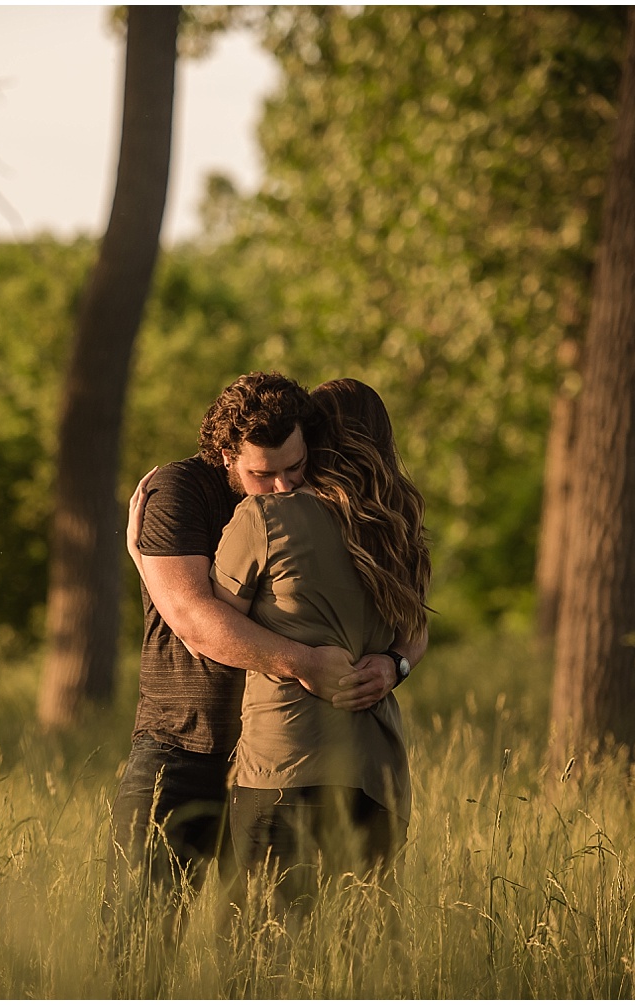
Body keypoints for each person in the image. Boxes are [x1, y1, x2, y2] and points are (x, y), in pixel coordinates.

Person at [101, 373, 415, 963]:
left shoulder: (319, 509)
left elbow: (410, 618)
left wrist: (394, 662)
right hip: (187, 748)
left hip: (274, 766)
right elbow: (195, 623)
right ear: (226, 455)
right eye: (262, 473)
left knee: (263, 955)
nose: (280, 483)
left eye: (295, 466)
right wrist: (145, 557)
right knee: (140, 947)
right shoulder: (179, 492)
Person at [210, 378, 431, 916]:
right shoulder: (397, 529)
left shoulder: (264, 518)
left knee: (262, 965)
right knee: (351, 963)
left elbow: (206, 625)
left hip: (286, 767)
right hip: (378, 776)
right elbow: (416, 631)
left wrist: (141, 552)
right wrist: (395, 664)